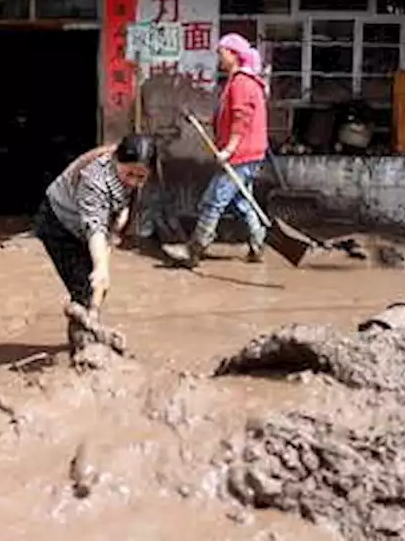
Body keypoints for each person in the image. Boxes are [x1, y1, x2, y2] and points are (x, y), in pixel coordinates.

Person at [33, 134, 156, 352]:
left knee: (94, 288)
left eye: (141, 177)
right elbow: (96, 228)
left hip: (87, 225)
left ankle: (87, 330)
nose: (134, 182)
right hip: (58, 223)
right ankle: (84, 352)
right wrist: (100, 267)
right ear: (116, 160)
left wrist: (121, 216)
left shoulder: (126, 170)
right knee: (85, 287)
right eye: (129, 174)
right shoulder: (93, 180)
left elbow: (114, 212)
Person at [182, 33, 269, 267]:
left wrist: (229, 150)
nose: (219, 58)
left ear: (234, 54)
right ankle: (258, 242)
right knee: (241, 201)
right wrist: (200, 120)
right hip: (250, 152)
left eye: (222, 53)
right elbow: (228, 117)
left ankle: (195, 249)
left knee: (213, 200)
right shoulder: (242, 81)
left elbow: (241, 118)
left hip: (241, 154)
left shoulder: (241, 82)